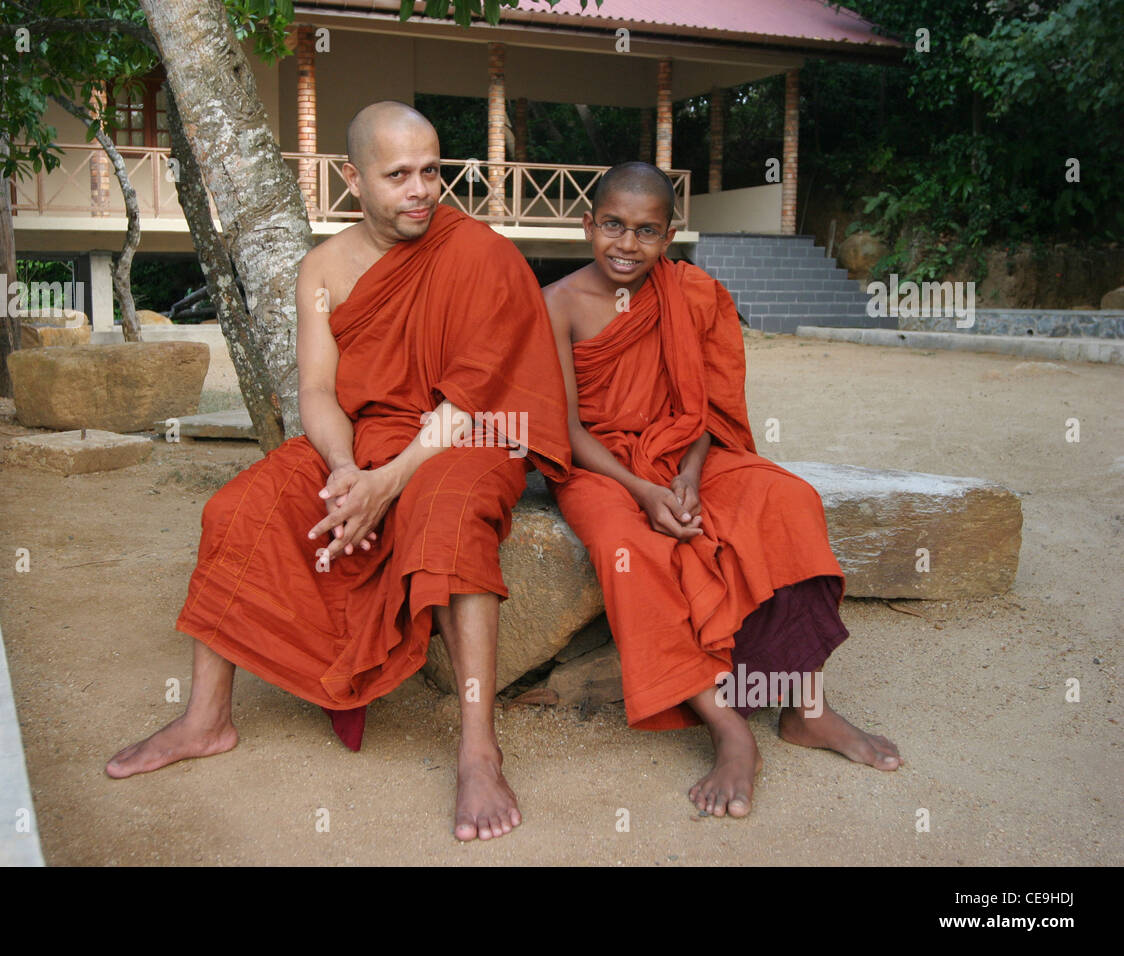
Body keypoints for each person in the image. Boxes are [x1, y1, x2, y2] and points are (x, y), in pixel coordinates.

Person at [106, 101, 571, 843]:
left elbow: (476, 394)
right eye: (398, 175)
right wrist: (349, 469)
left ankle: (478, 748)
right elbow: (319, 392)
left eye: (432, 171)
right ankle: (205, 718)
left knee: (446, 525)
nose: (421, 190)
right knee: (239, 509)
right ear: (353, 178)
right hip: (366, 439)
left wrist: (394, 482)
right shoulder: (322, 267)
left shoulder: (479, 252)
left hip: (467, 438)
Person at [541, 161, 900, 819]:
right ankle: (727, 726)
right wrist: (643, 492)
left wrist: (687, 476)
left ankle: (807, 709)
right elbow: (564, 431)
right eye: (613, 226)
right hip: (601, 469)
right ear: (587, 225)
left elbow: (705, 410)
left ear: (671, 234)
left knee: (786, 500)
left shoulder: (692, 294)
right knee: (630, 546)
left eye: (646, 231)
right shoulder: (557, 304)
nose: (626, 244)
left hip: (685, 454)